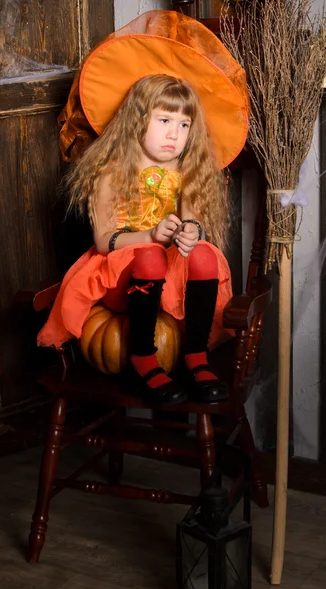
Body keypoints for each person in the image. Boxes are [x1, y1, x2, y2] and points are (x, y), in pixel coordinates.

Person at [37, 11, 250, 408]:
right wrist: (151, 236)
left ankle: (196, 354)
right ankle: (143, 357)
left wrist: (191, 233)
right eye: (165, 120)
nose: (175, 134)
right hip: (121, 274)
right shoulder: (111, 172)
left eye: (185, 125)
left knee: (204, 254)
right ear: (137, 121)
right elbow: (103, 241)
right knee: (151, 256)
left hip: (171, 275)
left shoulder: (188, 171)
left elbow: (193, 222)